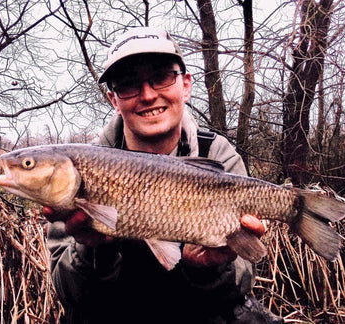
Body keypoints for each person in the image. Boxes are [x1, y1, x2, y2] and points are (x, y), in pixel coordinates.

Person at [44, 27, 284, 324]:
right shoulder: (81, 168)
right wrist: (95, 251)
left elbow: (243, 279)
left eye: (161, 77)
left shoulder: (217, 154)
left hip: (196, 306)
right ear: (113, 100)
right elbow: (69, 293)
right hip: (120, 308)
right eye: (129, 84)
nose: (147, 95)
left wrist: (206, 268)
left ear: (185, 85)